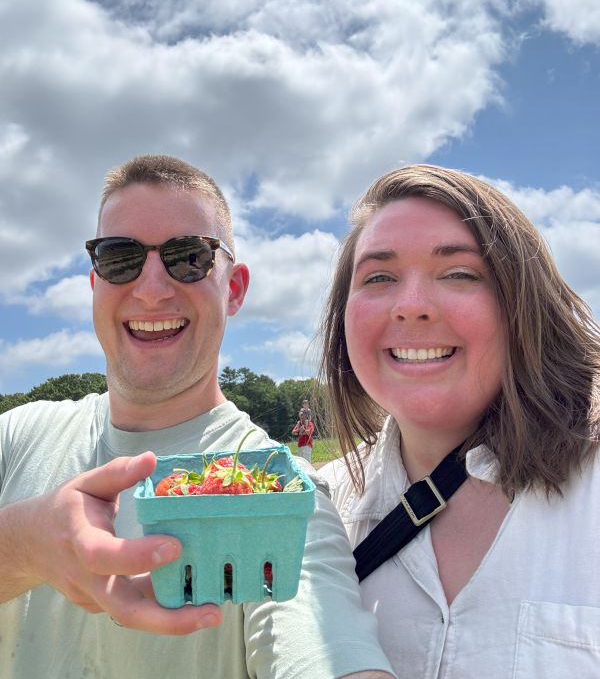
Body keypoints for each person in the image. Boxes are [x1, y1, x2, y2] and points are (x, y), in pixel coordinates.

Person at [0, 155, 396, 679]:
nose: (151, 288)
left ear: (233, 288)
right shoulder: (16, 434)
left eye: (189, 257)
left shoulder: (279, 493)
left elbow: (321, 640)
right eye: (120, 257)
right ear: (95, 282)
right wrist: (26, 543)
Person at [319, 164, 600, 677]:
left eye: (459, 274)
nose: (412, 306)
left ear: (525, 304)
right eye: (379, 276)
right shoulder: (315, 511)